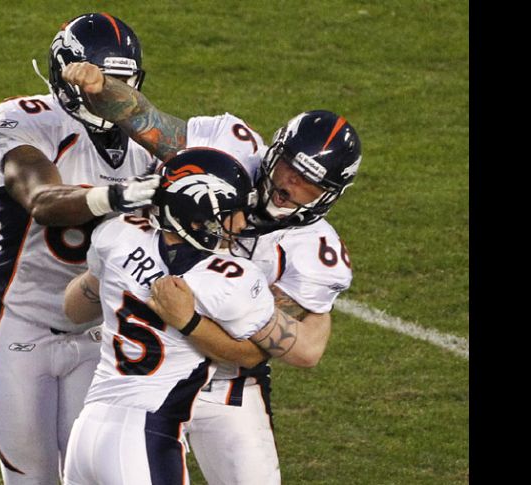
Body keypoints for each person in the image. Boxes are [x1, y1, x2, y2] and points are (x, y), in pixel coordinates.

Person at [61, 61, 362, 484]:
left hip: (228, 386)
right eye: (290, 169)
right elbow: (145, 119)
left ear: (328, 195)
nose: (290, 186)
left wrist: (178, 307)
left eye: (308, 184)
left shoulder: (314, 250)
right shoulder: (229, 147)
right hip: (148, 372)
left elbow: (303, 349)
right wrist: (101, 85)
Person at [0, 14, 161, 484]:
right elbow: (42, 202)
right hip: (23, 324)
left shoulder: (145, 140)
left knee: (95, 474)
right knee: (31, 478)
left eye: (123, 81)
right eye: (102, 79)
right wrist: (120, 196)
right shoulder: (29, 118)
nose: (111, 92)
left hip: (99, 334)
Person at [62, 148, 275, 485]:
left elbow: (73, 308)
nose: (241, 223)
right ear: (197, 216)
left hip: (87, 430)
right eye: (231, 213)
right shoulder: (232, 278)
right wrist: (189, 322)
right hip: (146, 437)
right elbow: (251, 355)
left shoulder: (120, 234)